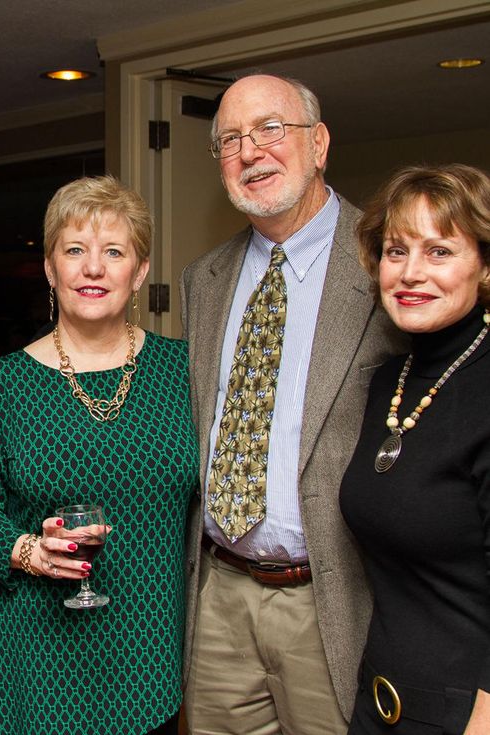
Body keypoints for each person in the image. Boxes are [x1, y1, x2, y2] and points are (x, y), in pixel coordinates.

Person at [180, 73, 407, 733]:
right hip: (219, 594)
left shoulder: (386, 267)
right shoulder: (205, 280)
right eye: (231, 139)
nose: (251, 151)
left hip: (334, 594)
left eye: (271, 128)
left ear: (320, 143)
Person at [0, 175, 197, 735]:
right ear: (49, 268)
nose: (93, 268)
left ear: (138, 272)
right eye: (75, 250)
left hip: (146, 652)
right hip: (32, 654)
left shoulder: (183, 373)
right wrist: (29, 552)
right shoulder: (4, 385)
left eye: (114, 252)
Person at [339, 164, 490, 734]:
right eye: (396, 251)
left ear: (485, 262)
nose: (411, 273)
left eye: (440, 252)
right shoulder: (387, 381)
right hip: (381, 698)